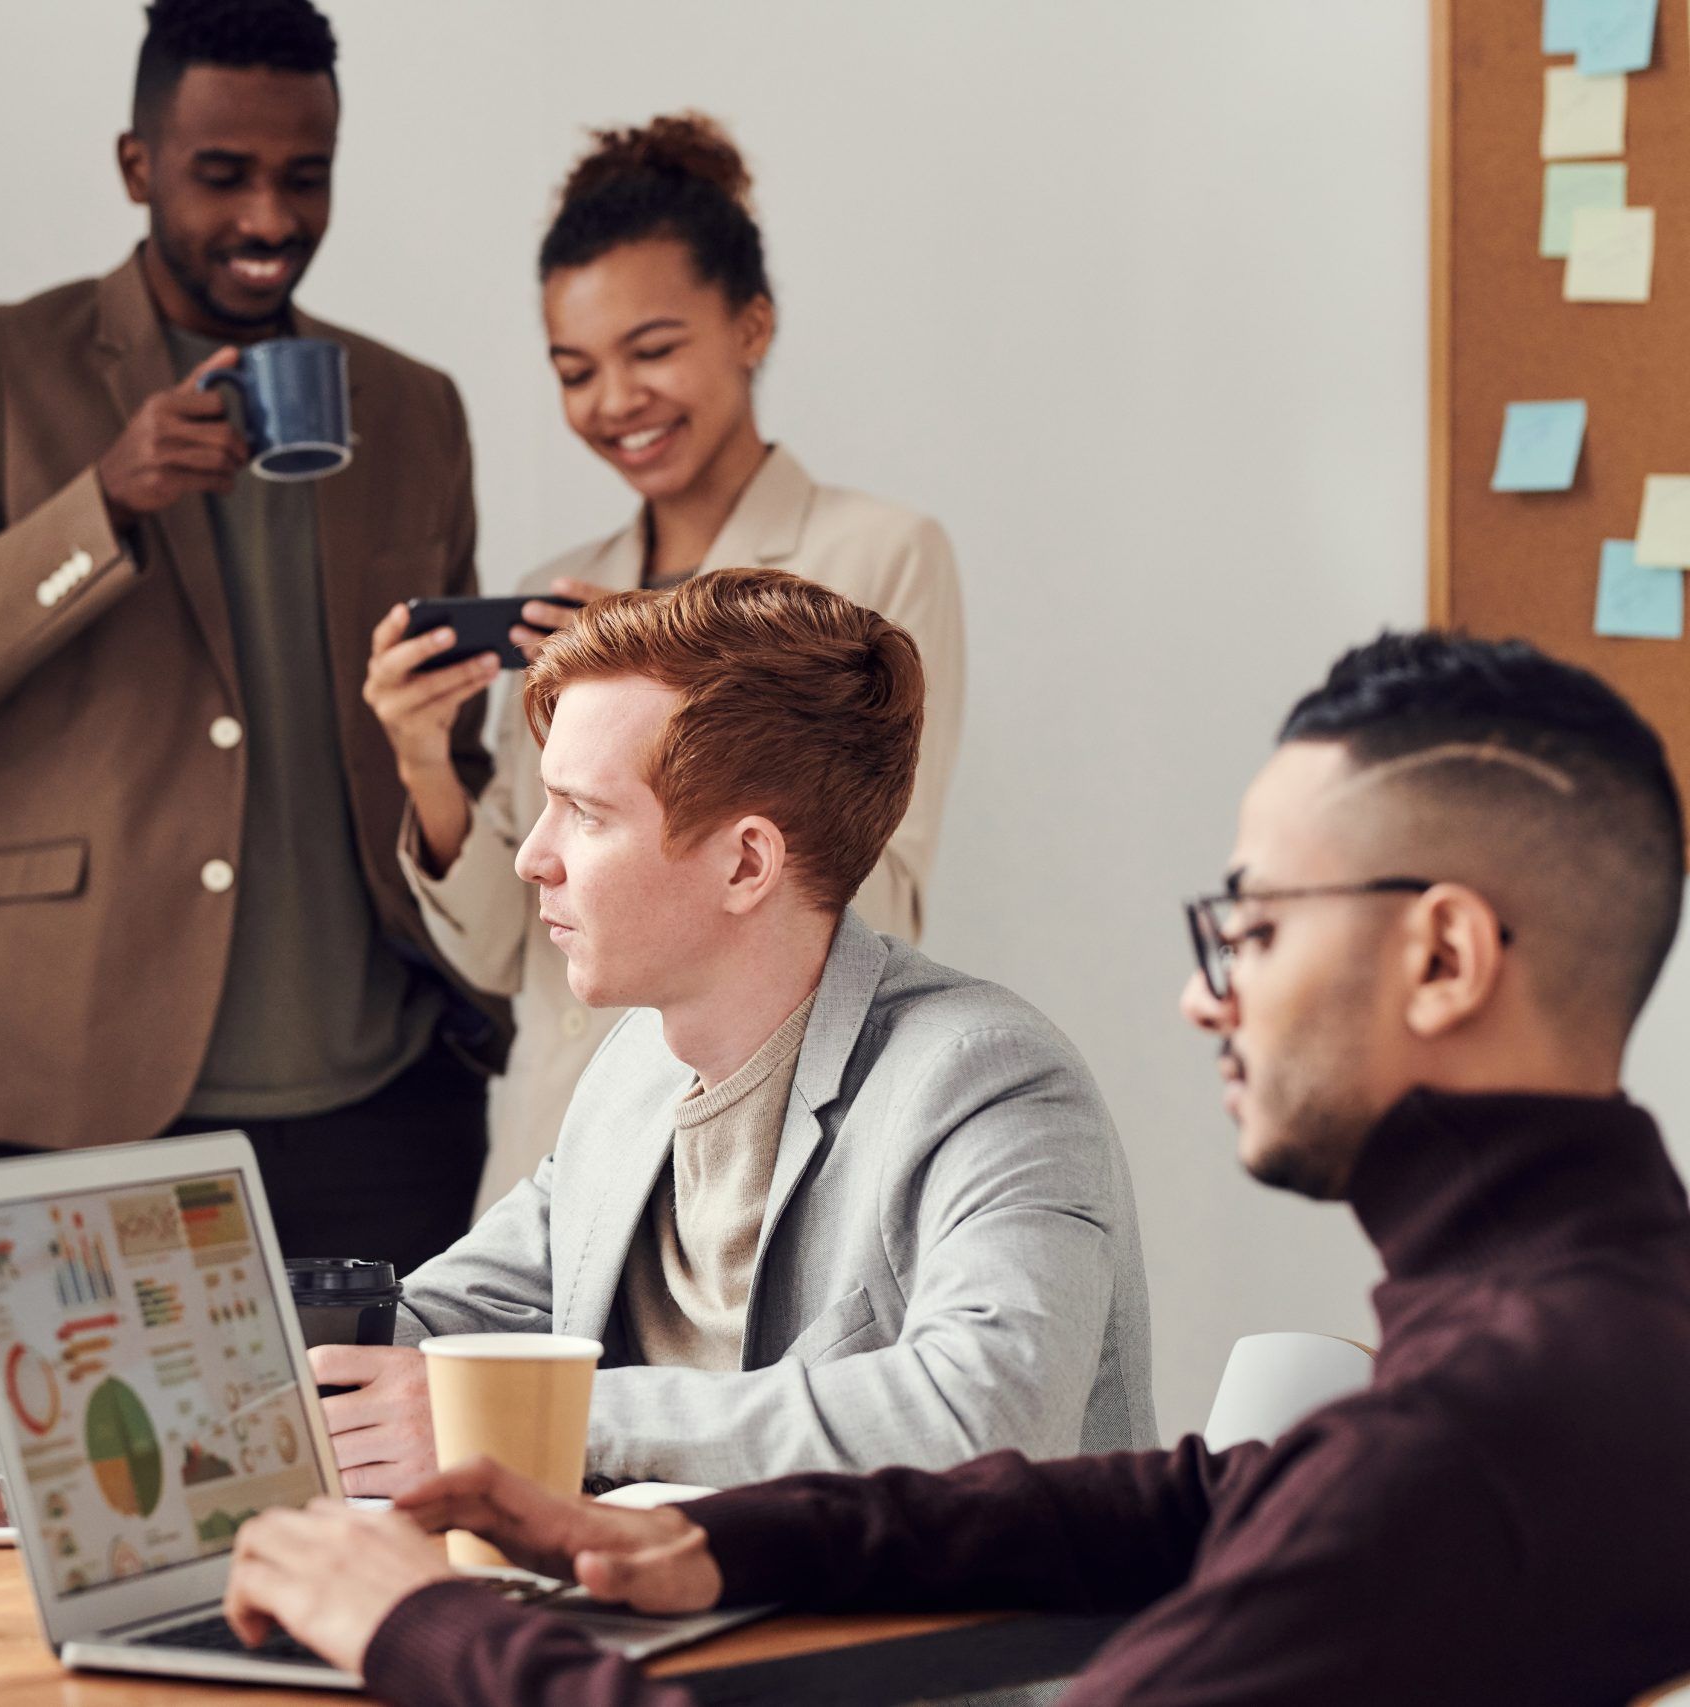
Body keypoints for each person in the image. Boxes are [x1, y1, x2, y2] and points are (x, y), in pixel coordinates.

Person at [228, 631, 1690, 1707]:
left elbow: (1079, 1436)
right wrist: (717, 1537)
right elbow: (1204, 1495)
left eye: (1249, 928)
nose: (1204, 995)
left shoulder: (1463, 1446)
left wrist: (427, 1629)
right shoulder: (1598, 1337)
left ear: (1443, 956)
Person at [0, 0, 503, 1275]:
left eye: (304, 177)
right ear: (136, 166)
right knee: (80, 1422)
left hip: (388, 1097)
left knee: (380, 1418)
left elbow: (449, 739)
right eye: (223, 174)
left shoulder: (415, 407)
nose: (268, 218)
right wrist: (100, 504)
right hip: (78, 1075)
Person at [315, 570, 1150, 1494]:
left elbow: (989, 1413)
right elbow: (441, 1318)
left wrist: (530, 1422)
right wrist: (256, 1341)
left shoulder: (988, 1083)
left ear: (747, 863)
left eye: (585, 813)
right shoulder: (635, 1069)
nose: (532, 856)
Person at [366, 113, 966, 1209]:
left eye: (652, 351)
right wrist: (421, 757)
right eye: (575, 369)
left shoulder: (877, 555)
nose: (614, 401)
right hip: (546, 1163)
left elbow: (879, 907)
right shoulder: (559, 590)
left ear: (751, 325)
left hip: (749, 1164)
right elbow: (506, 952)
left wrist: (673, 665)